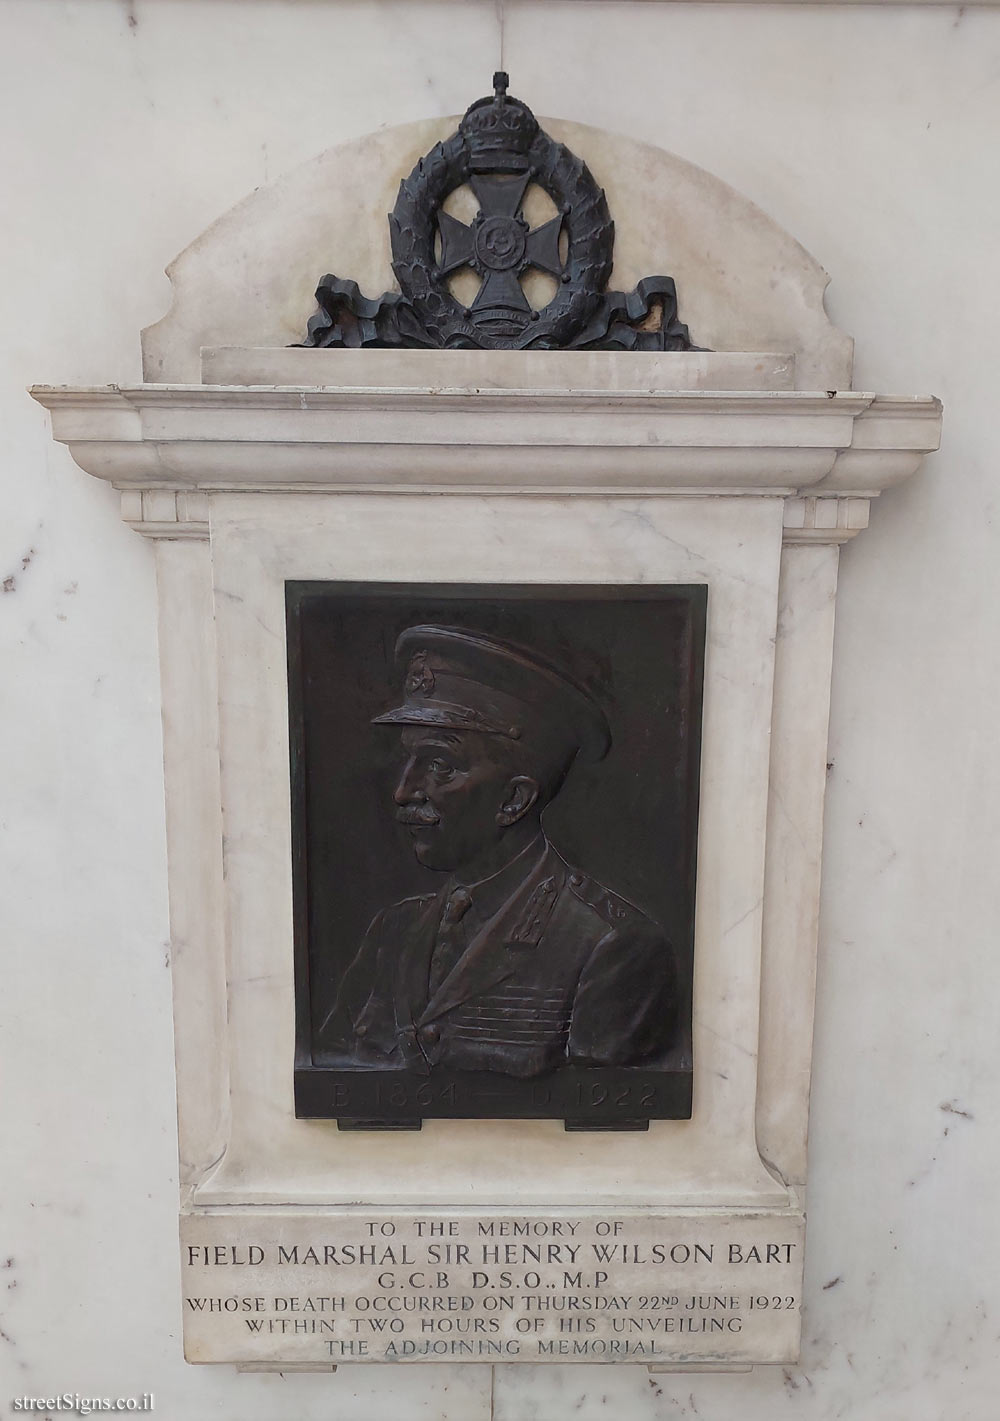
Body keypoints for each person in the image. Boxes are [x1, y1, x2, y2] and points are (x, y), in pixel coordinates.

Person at [317, 625, 678, 1078]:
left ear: (514, 799)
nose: (403, 791)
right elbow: (337, 1076)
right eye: (408, 763)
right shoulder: (393, 933)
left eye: (439, 766)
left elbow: (596, 1119)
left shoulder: (610, 946)